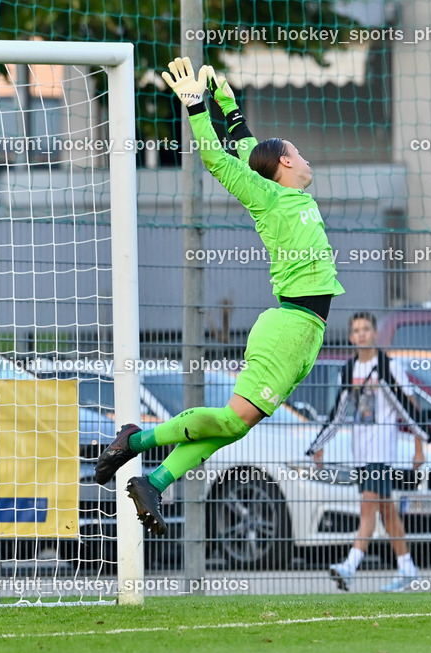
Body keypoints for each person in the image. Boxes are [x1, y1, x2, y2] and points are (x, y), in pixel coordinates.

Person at [93, 57, 344, 535]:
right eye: (299, 152)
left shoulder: (283, 189)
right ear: (287, 162)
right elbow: (217, 158)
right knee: (232, 421)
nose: (307, 158)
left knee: (234, 426)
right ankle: (135, 439)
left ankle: (156, 481)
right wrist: (195, 106)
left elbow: (249, 148)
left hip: (306, 332)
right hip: (290, 324)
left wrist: (226, 101)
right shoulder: (268, 194)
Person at [306, 312, 431, 593]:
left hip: (381, 452)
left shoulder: (389, 368)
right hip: (361, 452)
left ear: (375, 333)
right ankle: (408, 568)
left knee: (368, 509)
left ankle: (349, 566)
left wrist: (418, 448)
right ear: (351, 337)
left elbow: (411, 409)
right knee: (388, 513)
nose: (362, 334)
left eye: (366, 329)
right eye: (356, 330)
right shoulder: (348, 370)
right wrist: (319, 446)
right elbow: (337, 413)